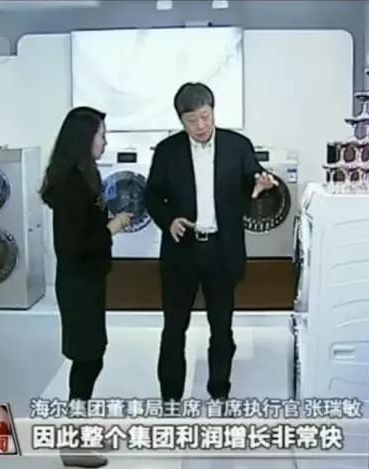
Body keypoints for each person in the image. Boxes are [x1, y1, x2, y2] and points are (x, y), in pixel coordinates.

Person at [144, 83, 278, 402]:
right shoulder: (167, 150)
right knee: (174, 328)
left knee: (221, 328)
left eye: (205, 116)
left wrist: (261, 184)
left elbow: (253, 178)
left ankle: (219, 393)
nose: (200, 126)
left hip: (222, 250)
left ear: (214, 110)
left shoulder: (237, 145)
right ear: (181, 120)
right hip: (182, 250)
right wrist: (169, 220)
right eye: (192, 120)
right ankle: (170, 398)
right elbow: (151, 195)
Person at [40, 106, 132, 468]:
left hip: (89, 280)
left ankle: (77, 433)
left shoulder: (85, 175)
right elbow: (72, 245)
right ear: (84, 139)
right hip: (78, 284)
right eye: (101, 136)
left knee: (92, 355)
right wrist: (112, 227)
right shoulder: (70, 186)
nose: (105, 142)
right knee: (87, 358)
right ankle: (72, 442)